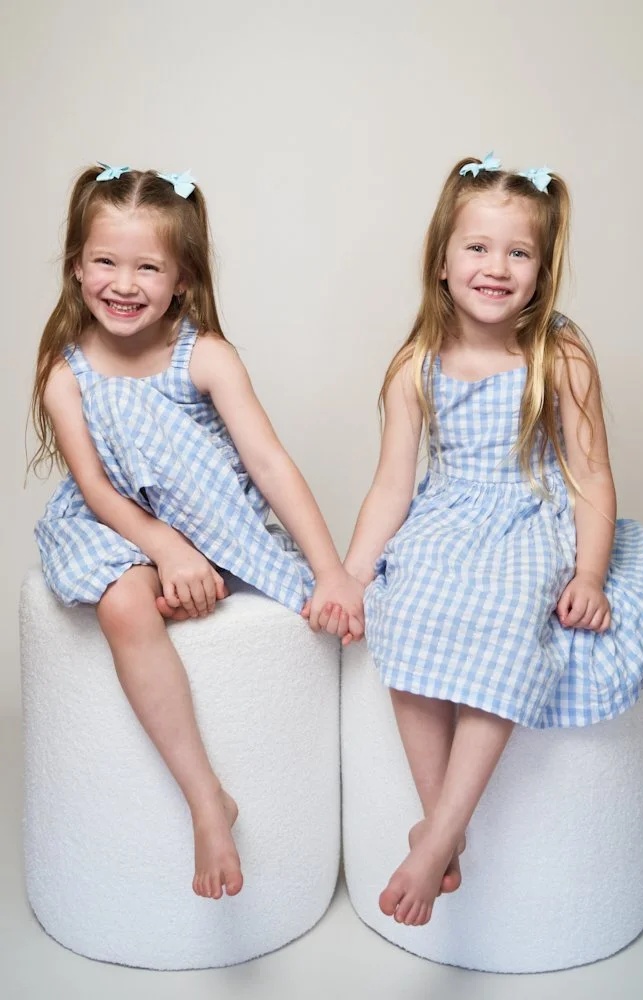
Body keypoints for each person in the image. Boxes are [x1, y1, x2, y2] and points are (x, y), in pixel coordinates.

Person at [332, 153, 643, 927]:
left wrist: (587, 572)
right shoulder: (415, 366)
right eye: (477, 248)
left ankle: (438, 835)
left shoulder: (559, 355)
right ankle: (439, 827)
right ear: (441, 261)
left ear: (542, 269)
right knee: (405, 605)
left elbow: (589, 474)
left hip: (531, 512)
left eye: (518, 253)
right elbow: (391, 486)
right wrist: (353, 572)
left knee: (510, 613)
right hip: (448, 515)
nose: (495, 267)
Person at [31, 163, 364, 901]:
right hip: (112, 520)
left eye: (148, 266)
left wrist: (331, 570)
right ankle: (205, 798)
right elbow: (93, 487)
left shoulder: (205, 355)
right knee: (123, 605)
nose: (124, 283)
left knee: (291, 594)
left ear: (182, 278)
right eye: (105, 262)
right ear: (76, 267)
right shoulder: (66, 371)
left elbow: (269, 465)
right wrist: (163, 549)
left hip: (204, 515)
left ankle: (202, 570)